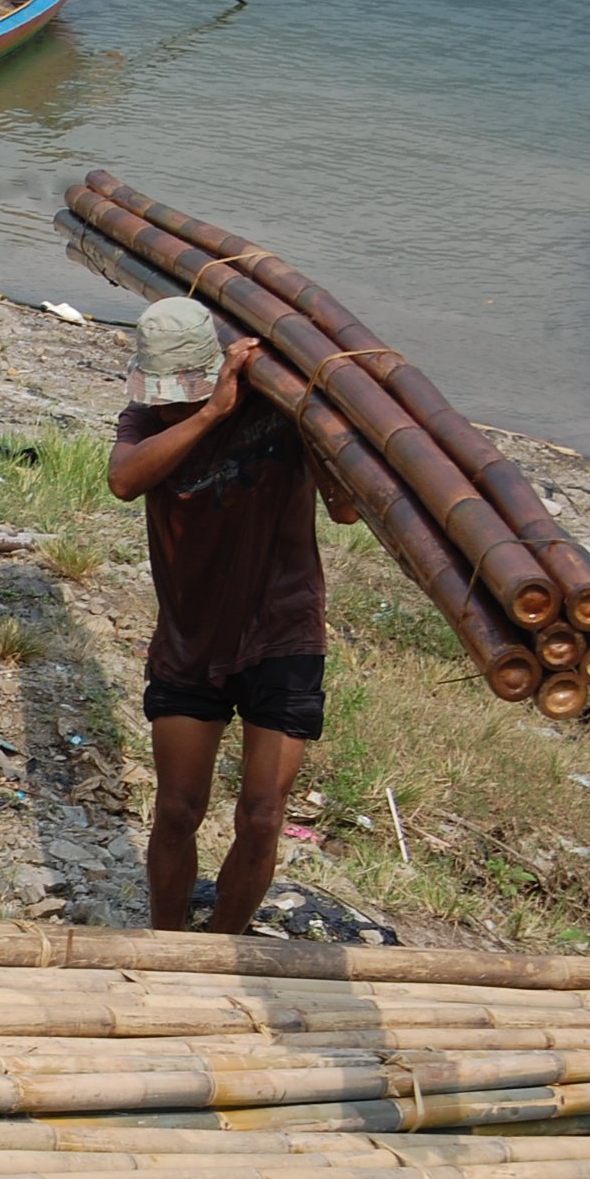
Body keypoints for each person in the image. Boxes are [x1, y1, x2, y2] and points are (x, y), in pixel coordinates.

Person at [107, 298, 358, 935]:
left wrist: (328, 435)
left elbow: (347, 510)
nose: (171, 404)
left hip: (283, 632)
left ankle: (224, 942)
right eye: (163, 395)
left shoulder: (278, 407)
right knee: (177, 808)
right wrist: (208, 413)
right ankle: (168, 945)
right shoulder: (145, 422)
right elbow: (124, 480)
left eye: (185, 394)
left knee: (263, 813)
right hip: (190, 637)